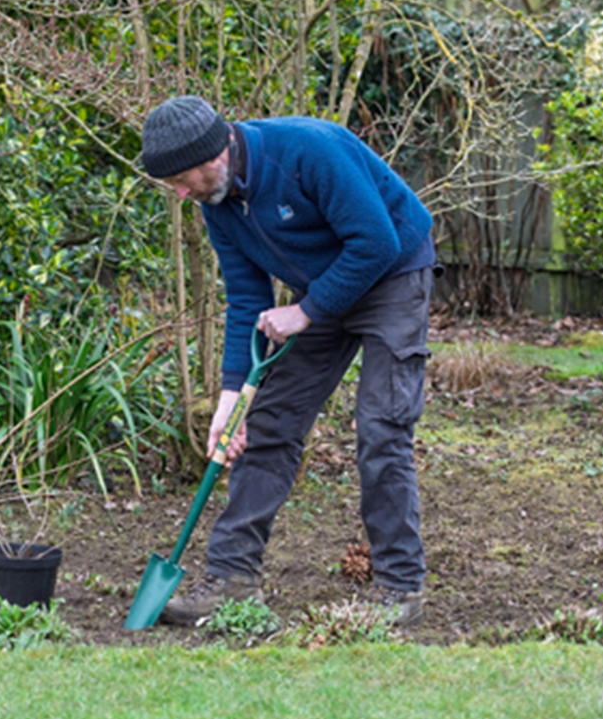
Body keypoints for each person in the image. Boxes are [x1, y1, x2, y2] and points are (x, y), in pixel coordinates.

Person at [140, 96, 437, 626]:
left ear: (215, 153)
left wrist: (308, 311)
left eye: (182, 179)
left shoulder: (308, 150)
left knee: (380, 426)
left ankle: (400, 588)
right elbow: (247, 301)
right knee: (266, 422)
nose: (181, 194)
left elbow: (376, 241)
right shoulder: (219, 204)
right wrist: (230, 403)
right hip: (321, 289)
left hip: (392, 274)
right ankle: (232, 579)